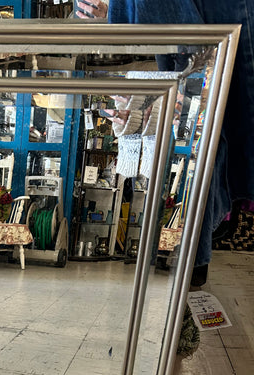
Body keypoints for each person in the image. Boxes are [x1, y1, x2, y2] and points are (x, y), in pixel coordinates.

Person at [75, 0, 254, 286]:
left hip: (199, 44)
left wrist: (117, 13)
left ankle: (194, 258)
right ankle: (193, 259)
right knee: (202, 133)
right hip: (191, 47)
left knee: (205, 131)